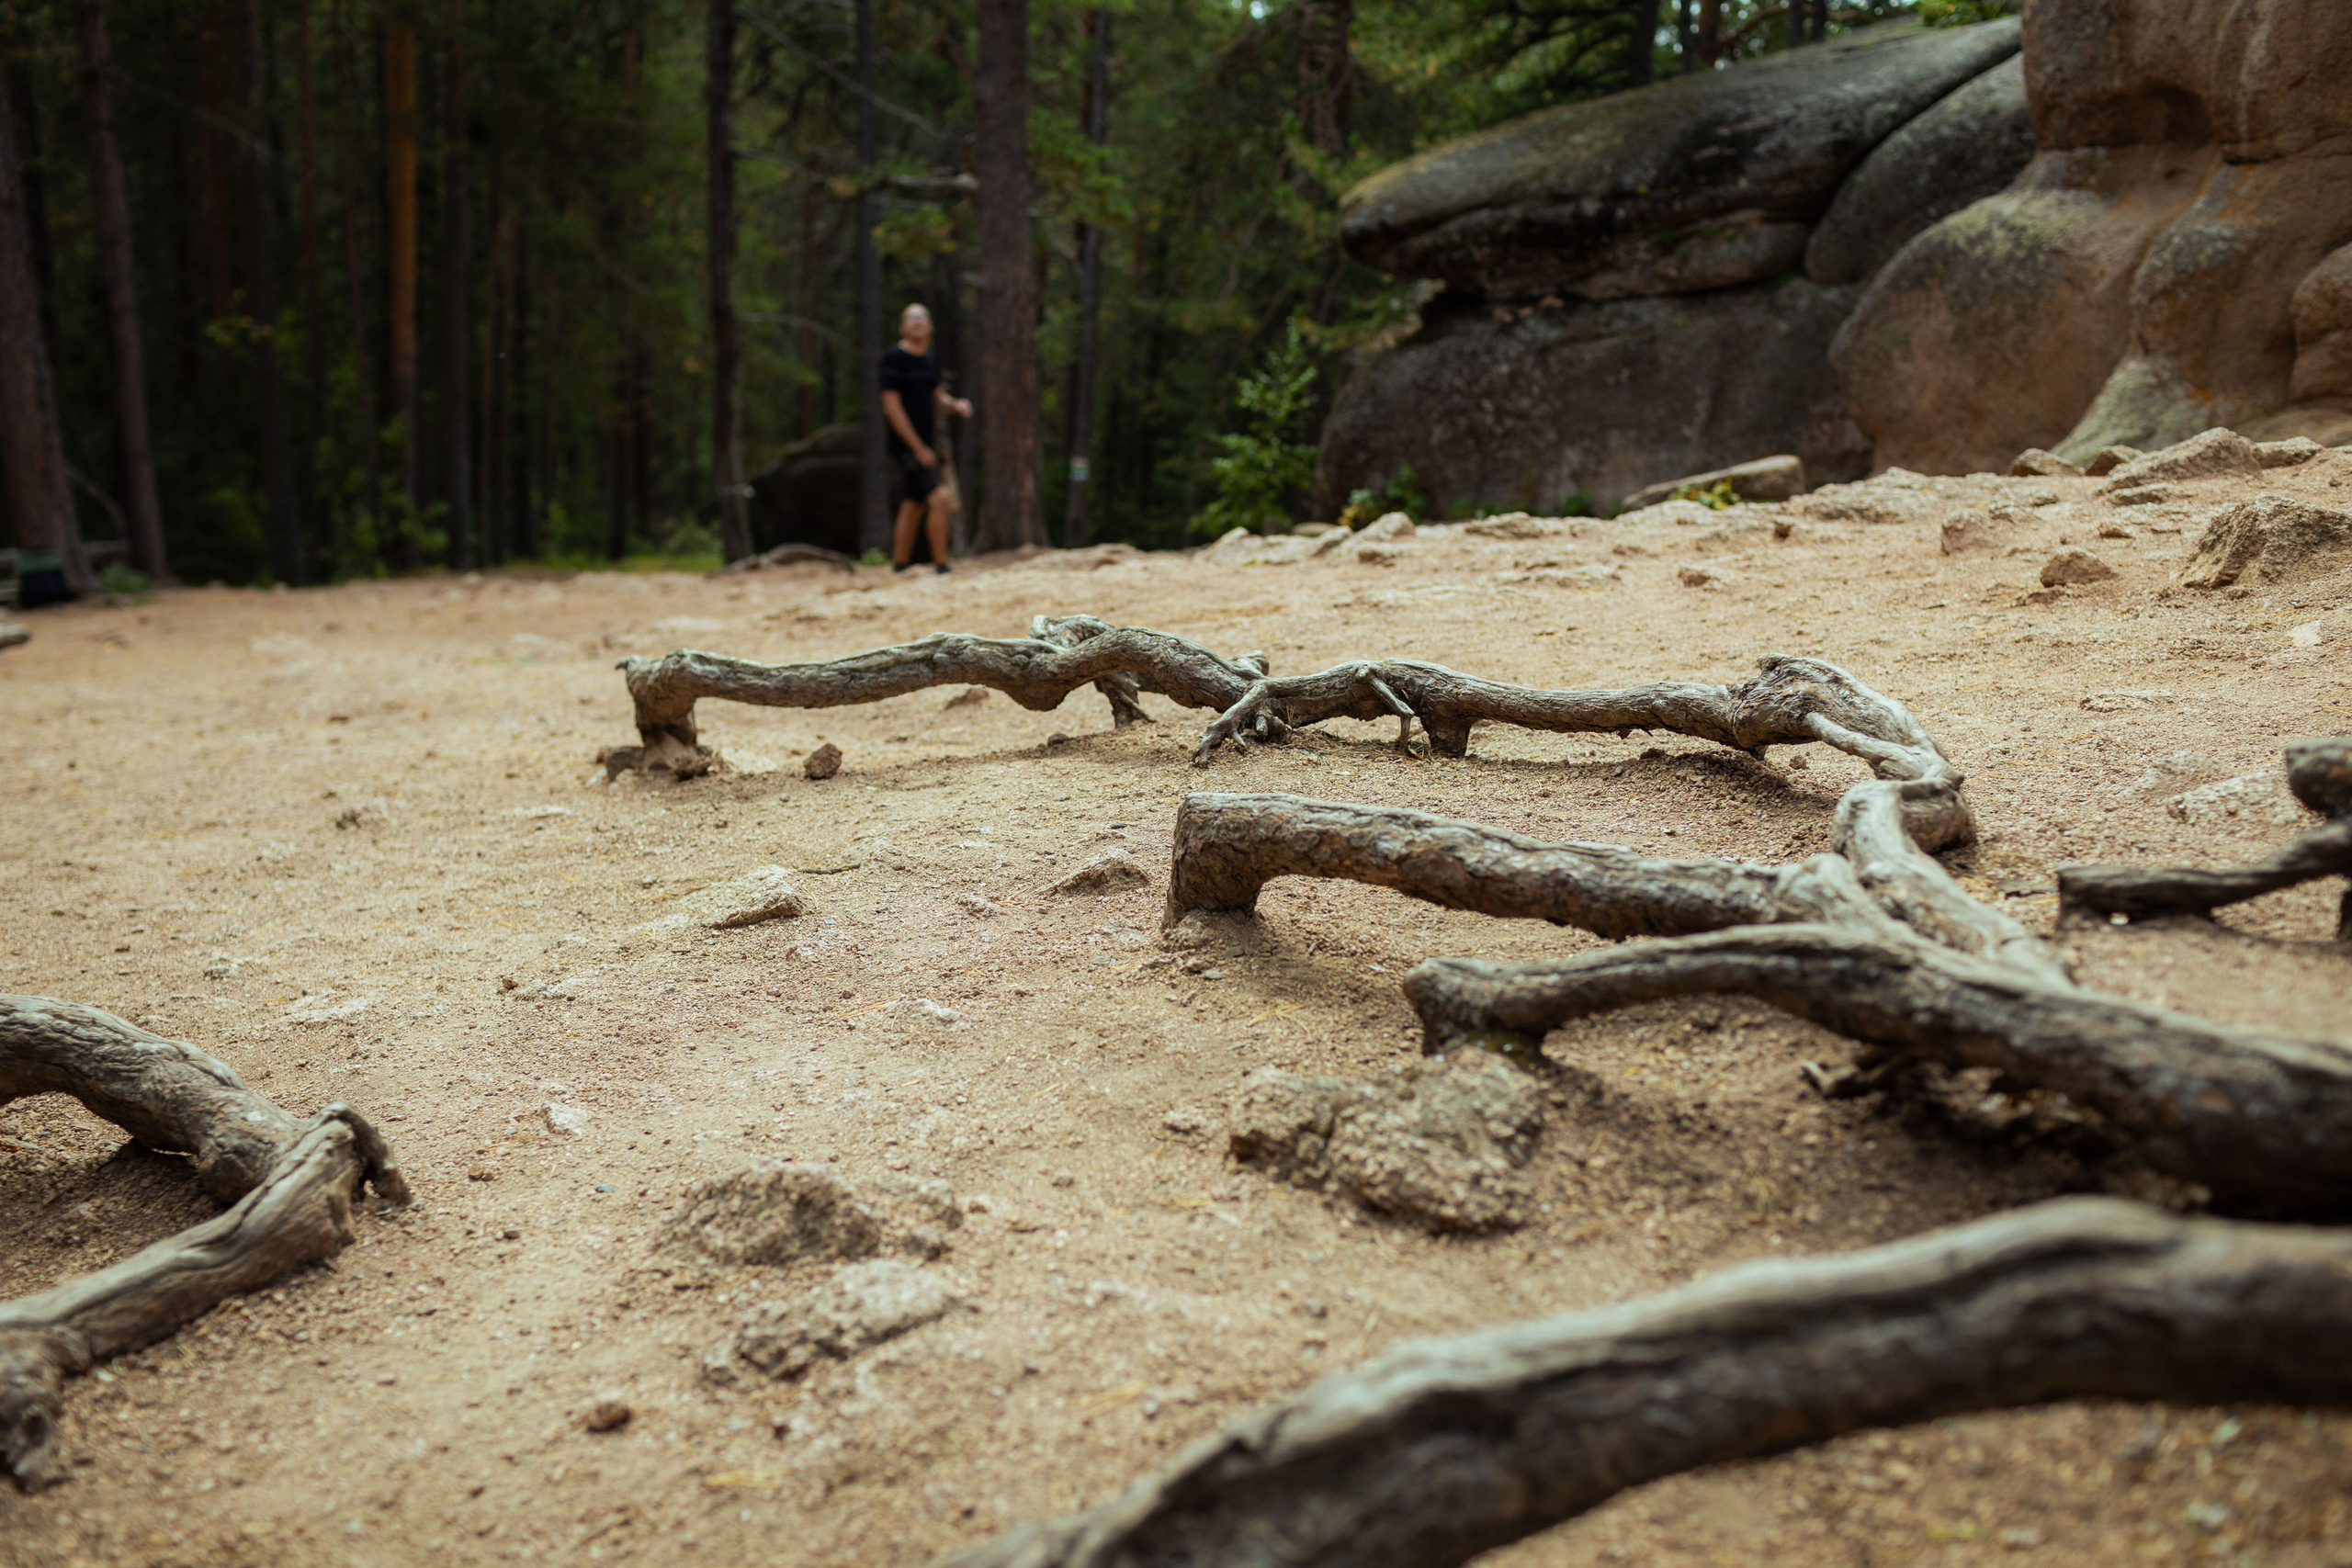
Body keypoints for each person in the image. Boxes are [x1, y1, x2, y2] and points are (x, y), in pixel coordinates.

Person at [880, 303, 972, 573]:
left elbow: (935, 396)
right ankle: (941, 565)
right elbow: (891, 407)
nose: (917, 322)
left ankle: (899, 564)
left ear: (930, 326)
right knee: (940, 497)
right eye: (911, 317)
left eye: (922, 317)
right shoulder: (893, 359)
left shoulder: (927, 358)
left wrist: (956, 404)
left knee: (914, 502)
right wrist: (918, 448)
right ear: (902, 326)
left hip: (925, 444)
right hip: (907, 445)